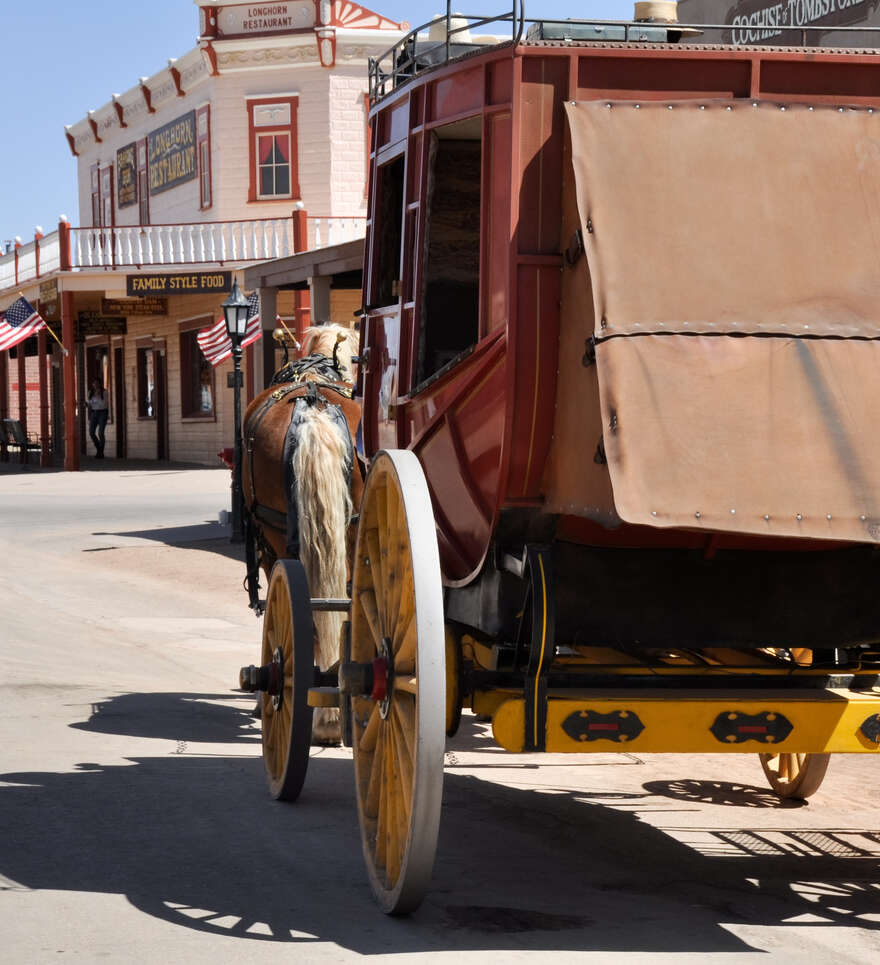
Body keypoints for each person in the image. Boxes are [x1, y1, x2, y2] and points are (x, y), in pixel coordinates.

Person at [87, 379, 109, 458]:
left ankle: (100, 453)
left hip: (102, 412)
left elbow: (103, 404)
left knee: (100, 433)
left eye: (97, 383)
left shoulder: (104, 392)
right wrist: (88, 403)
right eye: (94, 384)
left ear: (100, 384)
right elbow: (89, 403)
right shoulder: (90, 392)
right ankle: (99, 450)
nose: (95, 385)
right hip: (94, 413)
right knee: (91, 432)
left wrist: (96, 398)